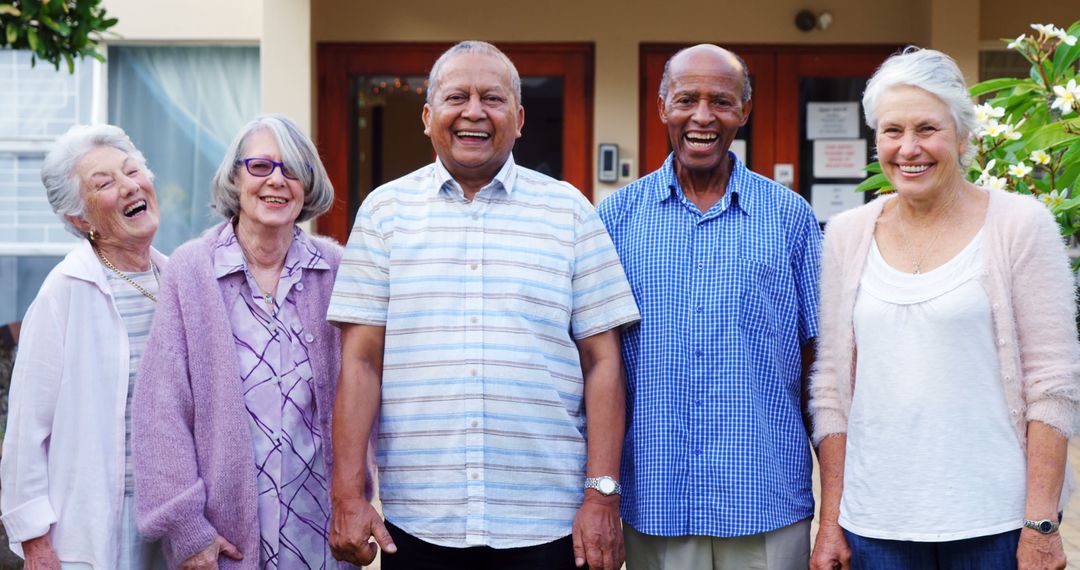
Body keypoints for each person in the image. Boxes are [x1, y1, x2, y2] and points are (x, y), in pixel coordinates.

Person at [326, 40, 640, 570]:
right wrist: (348, 495)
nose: (474, 111)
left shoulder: (569, 212)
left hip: (548, 522)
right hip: (421, 520)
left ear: (518, 119)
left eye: (492, 99)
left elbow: (603, 361)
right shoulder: (384, 213)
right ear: (428, 117)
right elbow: (359, 363)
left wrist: (602, 495)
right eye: (457, 97)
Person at [809, 47, 1080, 570]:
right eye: (892, 131)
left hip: (996, 525)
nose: (909, 148)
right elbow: (832, 391)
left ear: (962, 136)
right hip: (875, 525)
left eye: (927, 129)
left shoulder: (1020, 226)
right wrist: (832, 519)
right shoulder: (846, 235)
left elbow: (1054, 384)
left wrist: (1041, 524)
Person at [596, 44, 822, 569]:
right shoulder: (616, 219)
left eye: (720, 101)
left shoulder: (789, 217)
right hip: (654, 500)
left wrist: (836, 507)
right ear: (661, 107)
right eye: (686, 100)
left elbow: (821, 365)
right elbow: (596, 364)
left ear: (744, 111)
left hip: (766, 497)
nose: (702, 116)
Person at [133, 114, 363, 569]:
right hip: (222, 543)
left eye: (292, 169)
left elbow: (365, 392)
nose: (276, 180)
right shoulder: (191, 270)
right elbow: (161, 410)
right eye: (260, 167)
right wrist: (187, 529)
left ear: (308, 185)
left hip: (318, 537)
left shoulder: (338, 271)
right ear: (235, 178)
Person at [1, 124, 166, 568]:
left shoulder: (177, 280)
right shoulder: (64, 291)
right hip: (93, 524)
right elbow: (25, 430)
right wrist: (34, 540)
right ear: (80, 219)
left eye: (132, 170)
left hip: (173, 516)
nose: (130, 185)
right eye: (105, 183)